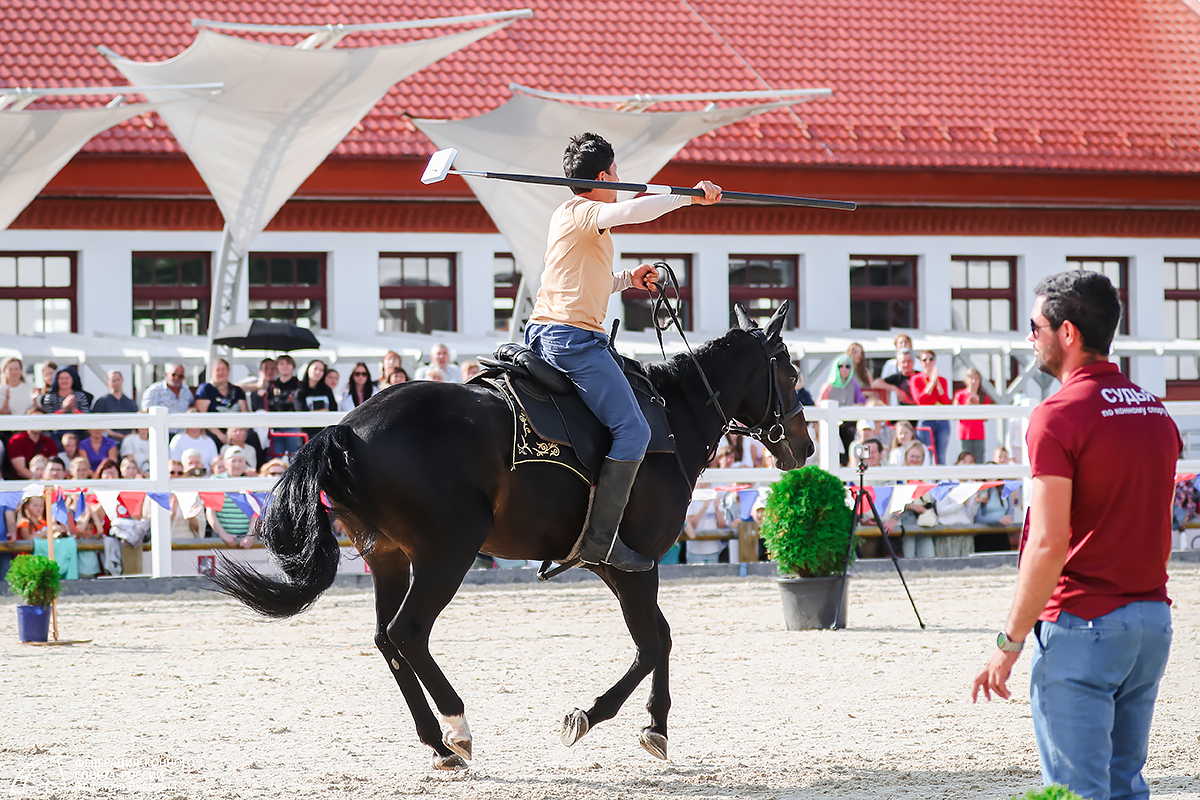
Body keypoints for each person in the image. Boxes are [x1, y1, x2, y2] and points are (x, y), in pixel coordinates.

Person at [971, 271, 1181, 799]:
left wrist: (1009, 641)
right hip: (1150, 619)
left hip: (1084, 622)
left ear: (1067, 333)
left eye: (1035, 327)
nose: (1030, 338)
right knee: (1125, 786)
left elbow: (1047, 543)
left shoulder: (1058, 416)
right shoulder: (1155, 411)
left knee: (1078, 791)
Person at [523, 132, 721, 571]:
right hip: (572, 340)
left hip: (552, 332)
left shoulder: (572, 218)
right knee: (633, 431)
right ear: (602, 177)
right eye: (615, 173)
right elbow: (632, 210)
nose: (619, 180)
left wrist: (627, 279)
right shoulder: (584, 211)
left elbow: (583, 281)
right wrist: (689, 196)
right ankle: (600, 541)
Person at [819, 355, 866, 466]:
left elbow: (862, 401)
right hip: (833, 424)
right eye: (841, 366)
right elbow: (820, 404)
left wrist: (855, 406)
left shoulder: (853, 384)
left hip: (850, 423)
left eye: (847, 366)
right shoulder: (828, 386)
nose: (844, 369)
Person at [208, 447, 256, 549]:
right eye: (233, 461)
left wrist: (250, 535)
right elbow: (210, 512)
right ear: (225, 463)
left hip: (245, 540)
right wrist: (223, 534)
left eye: (240, 461)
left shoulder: (251, 482)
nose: (237, 465)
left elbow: (255, 514)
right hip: (220, 540)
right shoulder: (216, 481)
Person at [910, 350, 952, 465]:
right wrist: (932, 383)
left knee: (940, 456)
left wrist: (937, 383)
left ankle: (941, 476)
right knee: (927, 454)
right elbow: (920, 400)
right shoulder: (916, 379)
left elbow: (945, 401)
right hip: (925, 418)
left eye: (931, 359)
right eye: (925, 360)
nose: (928, 362)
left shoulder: (942, 380)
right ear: (921, 362)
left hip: (941, 419)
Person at [6, 408, 61, 479]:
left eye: (40, 420)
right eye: (34, 420)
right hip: (21, 482)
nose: (37, 423)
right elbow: (21, 470)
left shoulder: (50, 442)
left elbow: (54, 465)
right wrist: (37, 481)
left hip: (45, 481)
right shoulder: (17, 440)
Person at [954, 367, 992, 465]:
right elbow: (954, 415)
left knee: (979, 461)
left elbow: (986, 418)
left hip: (978, 433)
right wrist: (967, 406)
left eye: (976, 378)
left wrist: (977, 405)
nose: (973, 381)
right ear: (966, 380)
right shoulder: (960, 395)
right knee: (965, 459)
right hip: (965, 433)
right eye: (971, 378)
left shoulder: (984, 396)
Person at [90, 370, 139, 441]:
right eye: (113, 381)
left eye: (118, 380)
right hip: (108, 439)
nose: (116, 383)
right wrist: (115, 434)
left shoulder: (130, 403)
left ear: (122, 380)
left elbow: (135, 423)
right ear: (108, 383)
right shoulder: (101, 402)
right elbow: (97, 423)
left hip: (128, 439)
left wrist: (129, 436)